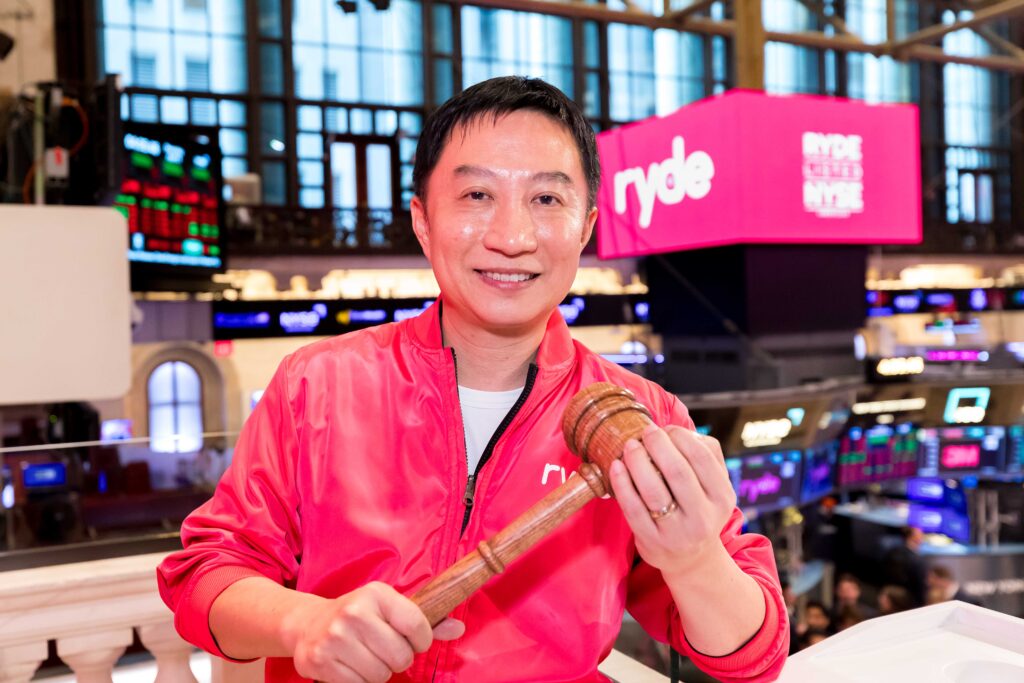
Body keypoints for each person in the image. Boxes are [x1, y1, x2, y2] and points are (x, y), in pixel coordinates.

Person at [157, 77, 788, 683]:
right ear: (423, 221)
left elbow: (750, 657)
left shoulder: (646, 416)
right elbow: (206, 575)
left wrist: (694, 559)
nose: (511, 238)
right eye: (476, 195)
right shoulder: (315, 385)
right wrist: (305, 622)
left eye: (546, 199)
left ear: (587, 228)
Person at [882, 526, 926, 605]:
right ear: (913, 537)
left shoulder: (893, 552)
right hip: (909, 601)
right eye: (920, 535)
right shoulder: (917, 561)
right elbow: (920, 587)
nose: (922, 537)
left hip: (893, 597)